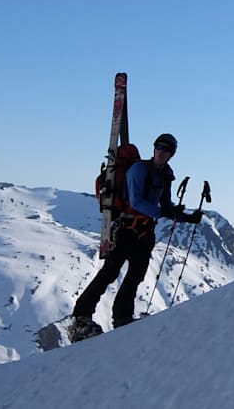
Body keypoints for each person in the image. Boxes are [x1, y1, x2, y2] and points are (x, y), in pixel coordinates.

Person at [69, 133, 202, 340]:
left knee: (135, 275)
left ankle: (122, 317)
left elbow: (165, 204)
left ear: (171, 154)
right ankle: (81, 317)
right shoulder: (139, 169)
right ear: (154, 148)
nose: (161, 151)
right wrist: (164, 212)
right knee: (110, 272)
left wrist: (185, 217)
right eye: (159, 147)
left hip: (145, 231)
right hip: (125, 228)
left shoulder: (166, 174)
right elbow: (136, 201)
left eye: (166, 149)